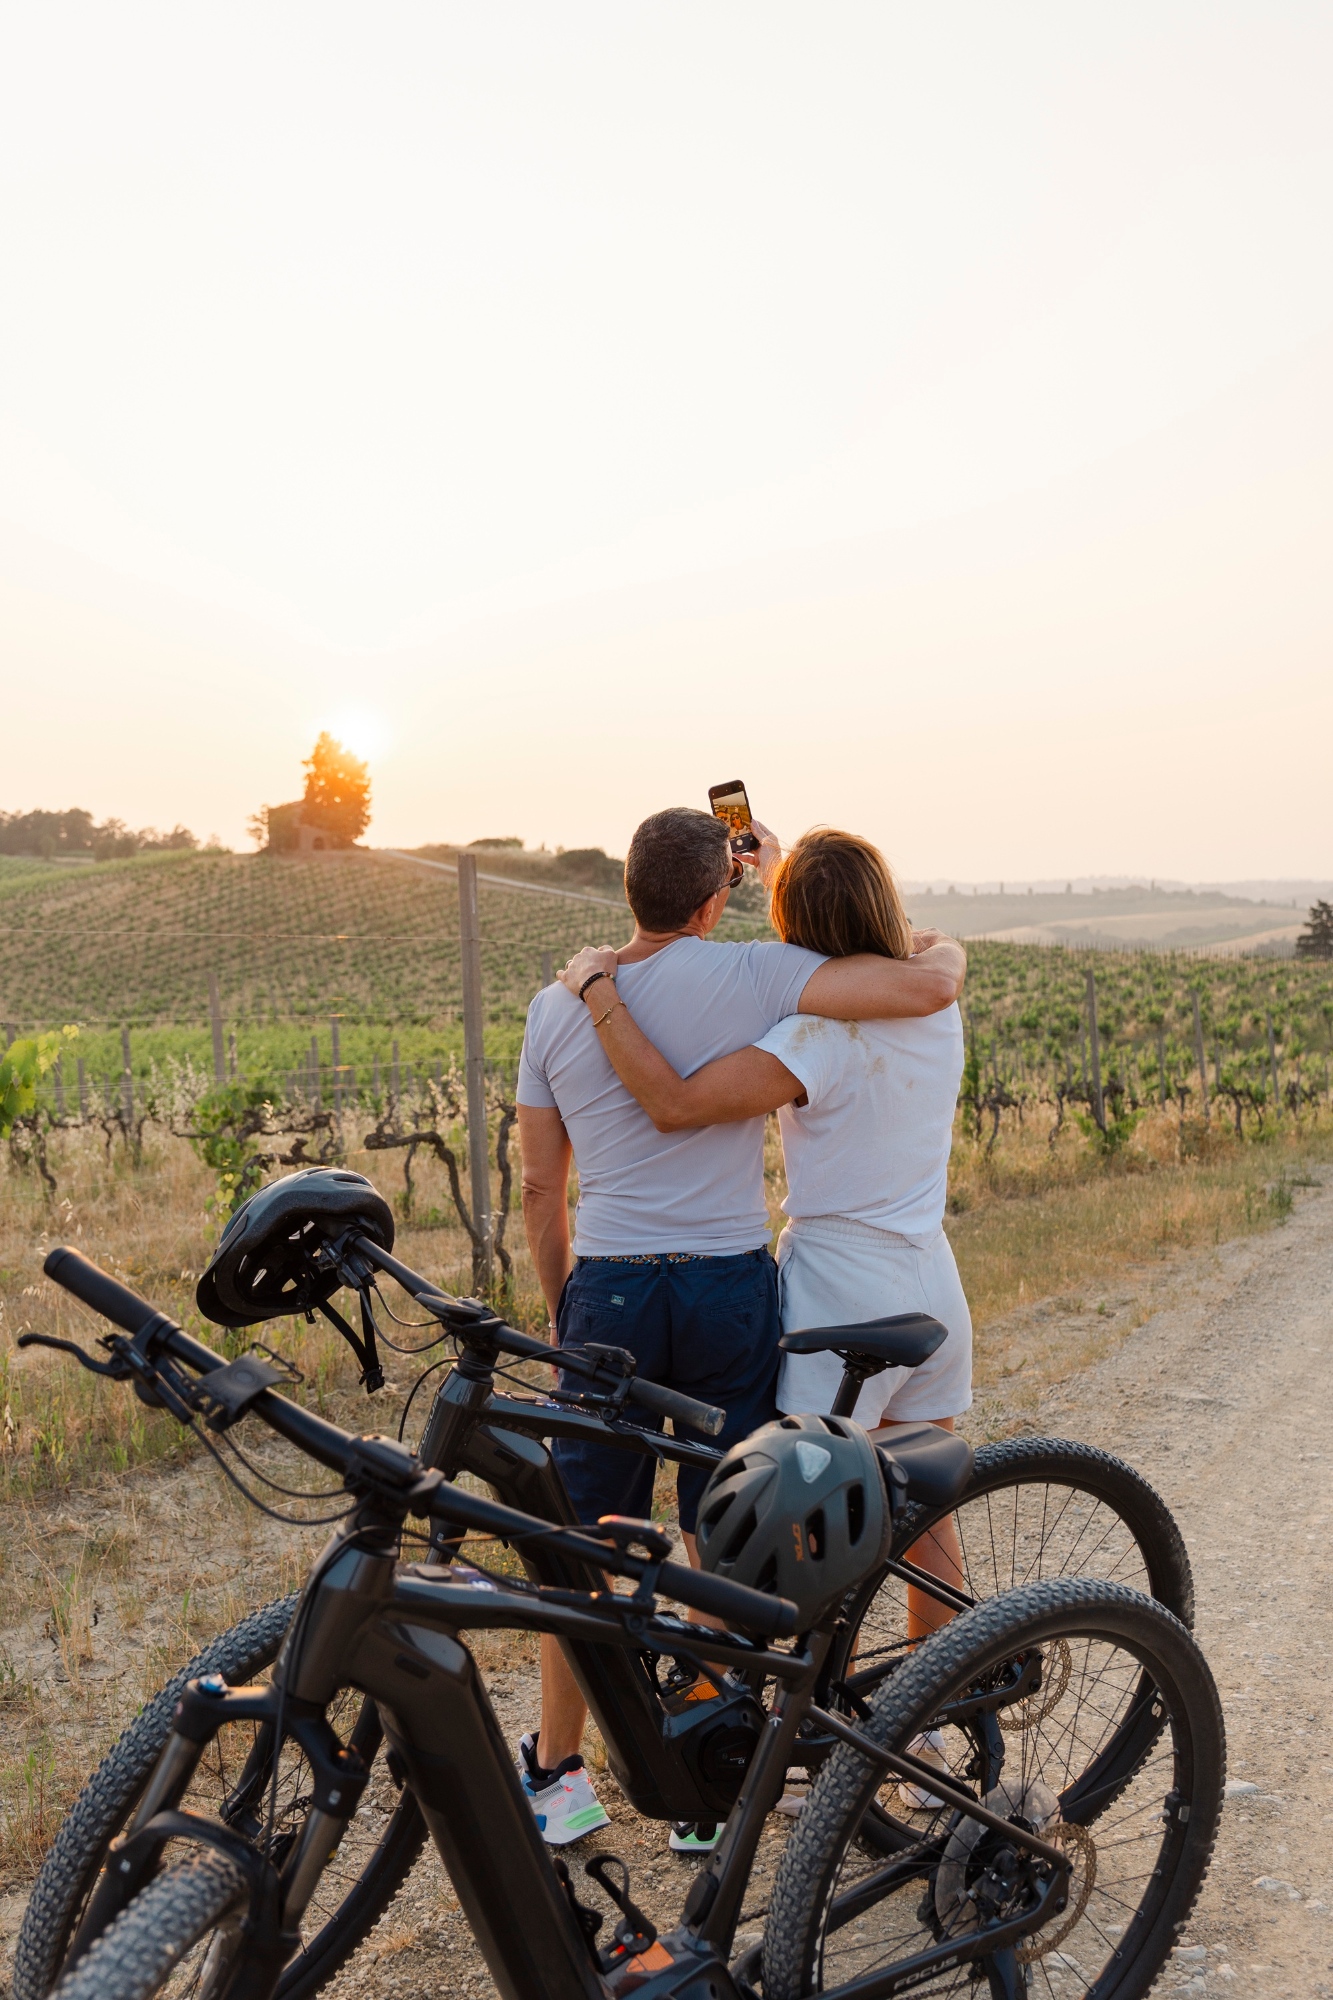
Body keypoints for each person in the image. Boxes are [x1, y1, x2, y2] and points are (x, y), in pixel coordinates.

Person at [517, 806, 965, 1847]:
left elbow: (543, 1181)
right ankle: (710, 1778)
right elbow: (916, 965)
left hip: (613, 1290)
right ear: (718, 895)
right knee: (723, 1525)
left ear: (627, 887)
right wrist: (779, 880)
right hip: (741, 1282)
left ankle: (558, 1771)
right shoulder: (762, 977)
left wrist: (562, 1302)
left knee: (581, 1538)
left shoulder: (556, 1005)